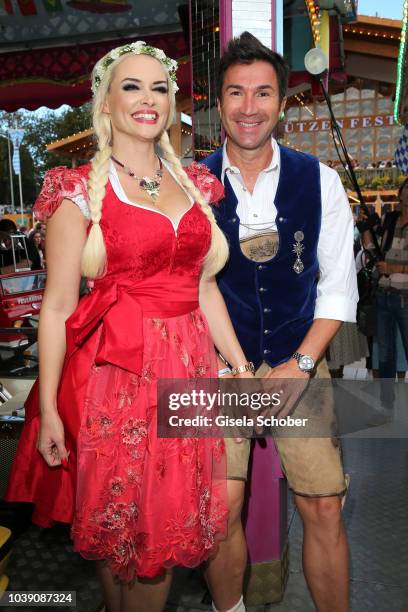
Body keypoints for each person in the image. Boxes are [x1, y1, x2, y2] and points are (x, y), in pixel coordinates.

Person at [5, 41, 254, 612]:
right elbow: (59, 306)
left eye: (160, 88)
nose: (149, 100)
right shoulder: (76, 190)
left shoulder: (194, 182)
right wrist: (46, 409)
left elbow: (204, 287)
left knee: (156, 548)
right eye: (132, 86)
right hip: (116, 380)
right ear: (106, 101)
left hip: (189, 373)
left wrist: (238, 370)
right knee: (122, 540)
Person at [202, 33, 358, 612]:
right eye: (236, 93)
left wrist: (302, 365)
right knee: (219, 511)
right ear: (219, 104)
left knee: (322, 505)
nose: (249, 107)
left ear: (282, 104)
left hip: (300, 357)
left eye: (263, 93)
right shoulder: (188, 185)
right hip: (216, 370)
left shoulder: (320, 182)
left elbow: (338, 289)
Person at [361, 177, 408, 405]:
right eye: (406, 188)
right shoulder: (390, 221)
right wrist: (366, 228)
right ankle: (386, 408)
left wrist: (394, 268)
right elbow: (372, 249)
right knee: (386, 356)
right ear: (399, 194)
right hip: (383, 296)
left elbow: (388, 265)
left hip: (405, 298)